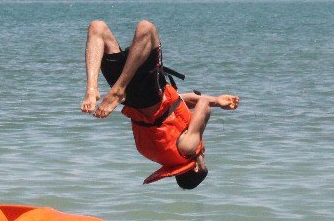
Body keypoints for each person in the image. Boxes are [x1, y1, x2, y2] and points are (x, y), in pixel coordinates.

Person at [81, 19, 240, 188]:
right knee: (97, 28)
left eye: (203, 162)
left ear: (195, 168)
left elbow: (202, 105)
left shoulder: (189, 148)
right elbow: (173, 105)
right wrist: (218, 100)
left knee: (147, 28)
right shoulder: (152, 154)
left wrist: (200, 133)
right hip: (134, 97)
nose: (203, 157)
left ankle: (106, 88)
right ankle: (92, 89)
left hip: (142, 92)